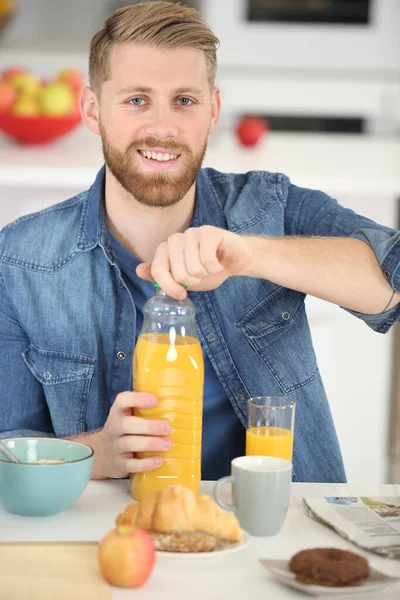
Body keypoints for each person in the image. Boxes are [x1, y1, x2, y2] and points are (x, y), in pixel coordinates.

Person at [0, 2, 399, 484]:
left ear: (212, 111)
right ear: (92, 110)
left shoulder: (270, 207)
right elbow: (8, 451)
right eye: (136, 100)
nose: (163, 128)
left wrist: (252, 254)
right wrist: (91, 455)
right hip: (108, 535)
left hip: (270, 531)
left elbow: (391, 286)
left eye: (184, 101)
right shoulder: (21, 260)